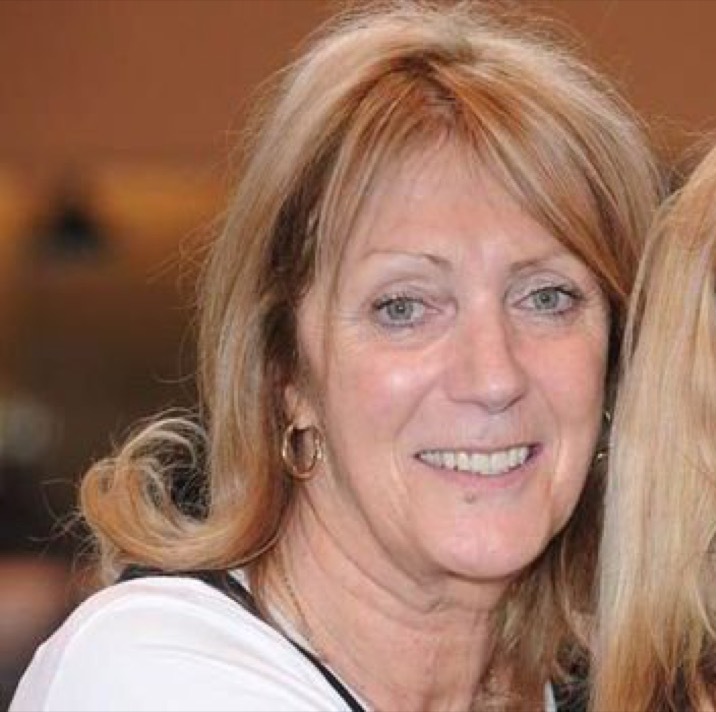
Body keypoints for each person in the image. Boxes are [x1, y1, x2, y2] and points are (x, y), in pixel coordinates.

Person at [12, 2, 660, 710]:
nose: (494, 376)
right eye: (403, 308)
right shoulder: (152, 673)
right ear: (287, 373)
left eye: (547, 298)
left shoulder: (599, 685)